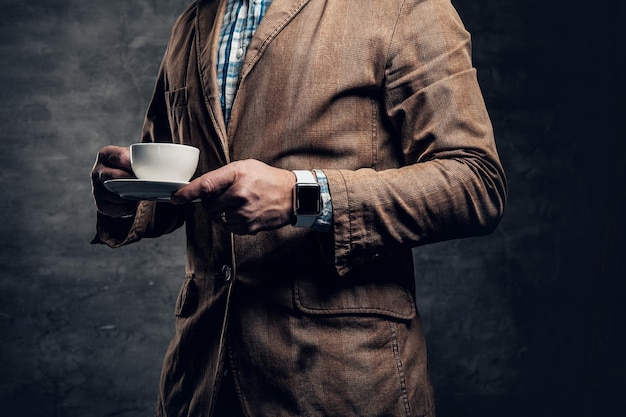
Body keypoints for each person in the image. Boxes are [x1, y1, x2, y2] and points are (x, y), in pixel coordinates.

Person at [91, 0, 507, 416]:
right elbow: (185, 183)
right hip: (198, 382)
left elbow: (476, 182)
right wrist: (124, 198)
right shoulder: (192, 22)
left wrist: (299, 196)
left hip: (340, 382)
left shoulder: (402, 6)